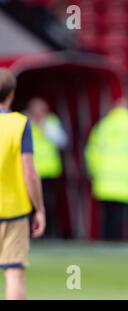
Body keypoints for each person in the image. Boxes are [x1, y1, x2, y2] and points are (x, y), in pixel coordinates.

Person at [0, 68, 46, 299]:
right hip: (12, 209)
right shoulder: (19, 124)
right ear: (12, 93)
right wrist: (39, 208)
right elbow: (29, 171)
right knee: (14, 275)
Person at [85, 98, 128, 241]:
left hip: (104, 181)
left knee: (106, 216)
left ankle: (104, 242)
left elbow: (91, 152)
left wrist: (95, 172)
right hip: (126, 182)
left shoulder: (103, 125)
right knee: (122, 218)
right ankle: (118, 242)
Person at [24, 97, 68, 238]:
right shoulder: (24, 122)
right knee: (28, 204)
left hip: (48, 172)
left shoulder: (51, 122)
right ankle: (30, 233)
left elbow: (62, 141)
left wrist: (43, 125)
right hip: (29, 171)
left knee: (48, 204)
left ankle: (47, 233)